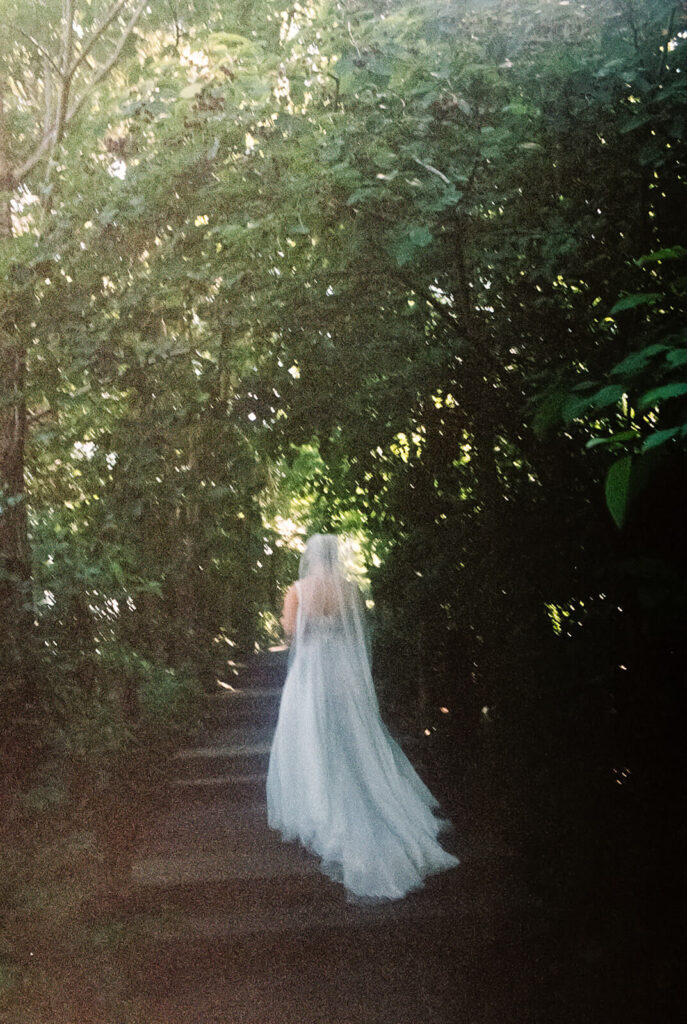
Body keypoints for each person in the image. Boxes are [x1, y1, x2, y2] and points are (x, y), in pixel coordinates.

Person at [266, 533, 459, 901]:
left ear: (309, 557)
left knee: (312, 735)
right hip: (342, 672)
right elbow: (356, 632)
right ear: (335, 557)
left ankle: (317, 800)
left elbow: (292, 632)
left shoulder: (297, 590)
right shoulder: (350, 589)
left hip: (311, 672)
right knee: (353, 734)